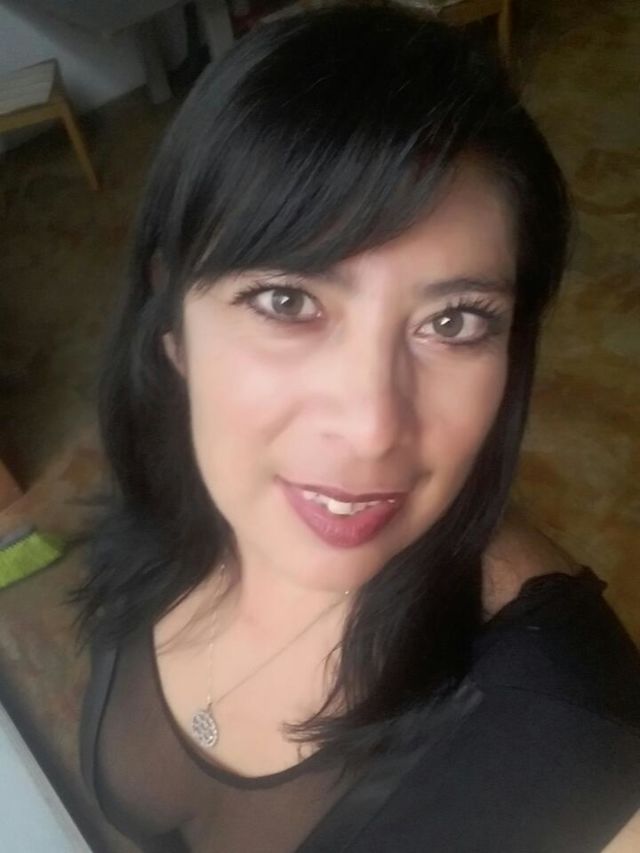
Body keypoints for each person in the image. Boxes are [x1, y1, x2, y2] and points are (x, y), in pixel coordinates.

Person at [70, 4, 640, 851]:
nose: (374, 428)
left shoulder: (571, 725)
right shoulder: (167, 494)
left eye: (454, 322)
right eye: (286, 300)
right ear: (173, 324)